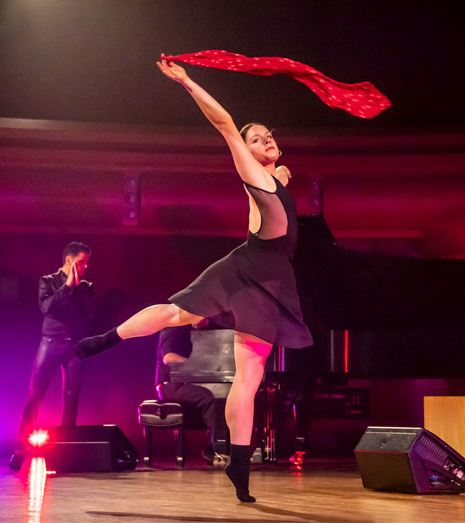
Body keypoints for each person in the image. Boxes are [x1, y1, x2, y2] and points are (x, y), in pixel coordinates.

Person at [76, 58, 314, 502]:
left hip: (273, 277)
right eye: (257, 138)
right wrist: (188, 82)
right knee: (176, 311)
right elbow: (225, 123)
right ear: (248, 150)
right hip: (245, 265)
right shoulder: (253, 172)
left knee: (251, 375)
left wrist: (281, 175)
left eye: (270, 136)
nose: (267, 140)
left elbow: (280, 187)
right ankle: (107, 338)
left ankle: (239, 465)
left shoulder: (276, 175)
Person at [9, 241, 97, 471]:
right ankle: (19, 449)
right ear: (69, 260)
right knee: (35, 396)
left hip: (75, 348)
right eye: (82, 262)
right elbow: (47, 308)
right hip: (50, 344)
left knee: (71, 399)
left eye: (87, 262)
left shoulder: (87, 286)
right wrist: (67, 286)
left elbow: (90, 310)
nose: (86, 266)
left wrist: (76, 287)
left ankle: (64, 452)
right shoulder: (47, 281)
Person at [156, 324, 230, 465]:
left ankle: (218, 448)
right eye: (205, 316)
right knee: (210, 397)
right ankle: (215, 450)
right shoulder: (171, 329)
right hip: (169, 386)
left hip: (188, 384)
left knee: (223, 398)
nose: (207, 321)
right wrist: (199, 364)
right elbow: (168, 357)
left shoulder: (200, 332)